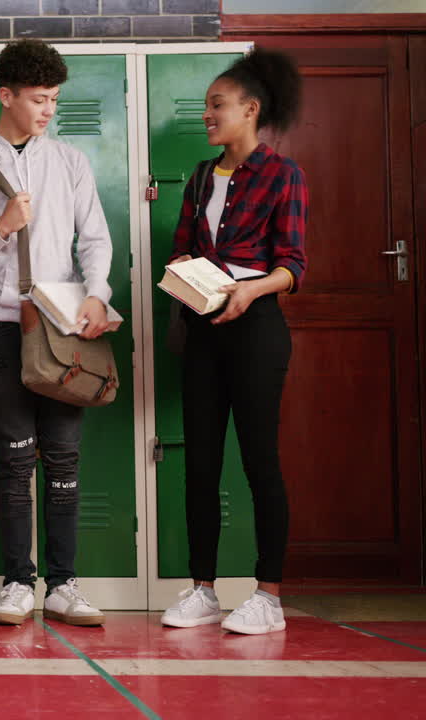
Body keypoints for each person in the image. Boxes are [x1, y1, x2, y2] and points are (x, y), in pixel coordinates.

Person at [159, 49, 307, 636]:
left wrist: (248, 291)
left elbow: (293, 264)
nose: (206, 115)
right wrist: (187, 276)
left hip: (256, 327)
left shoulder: (283, 175)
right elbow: (179, 247)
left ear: (251, 109)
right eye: (205, 107)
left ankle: (267, 595)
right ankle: (203, 589)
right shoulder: (200, 176)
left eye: (216, 105)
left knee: (259, 461)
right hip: (203, 327)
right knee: (201, 462)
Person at [0, 39, 113, 628]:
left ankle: (64, 583)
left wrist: (99, 294)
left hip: (63, 331)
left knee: (64, 458)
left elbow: (95, 239)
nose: (49, 109)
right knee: (14, 461)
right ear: (7, 95)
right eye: (38, 99)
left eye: (54, 99)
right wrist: (2, 228)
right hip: (1, 328)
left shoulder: (70, 161)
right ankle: (15, 584)